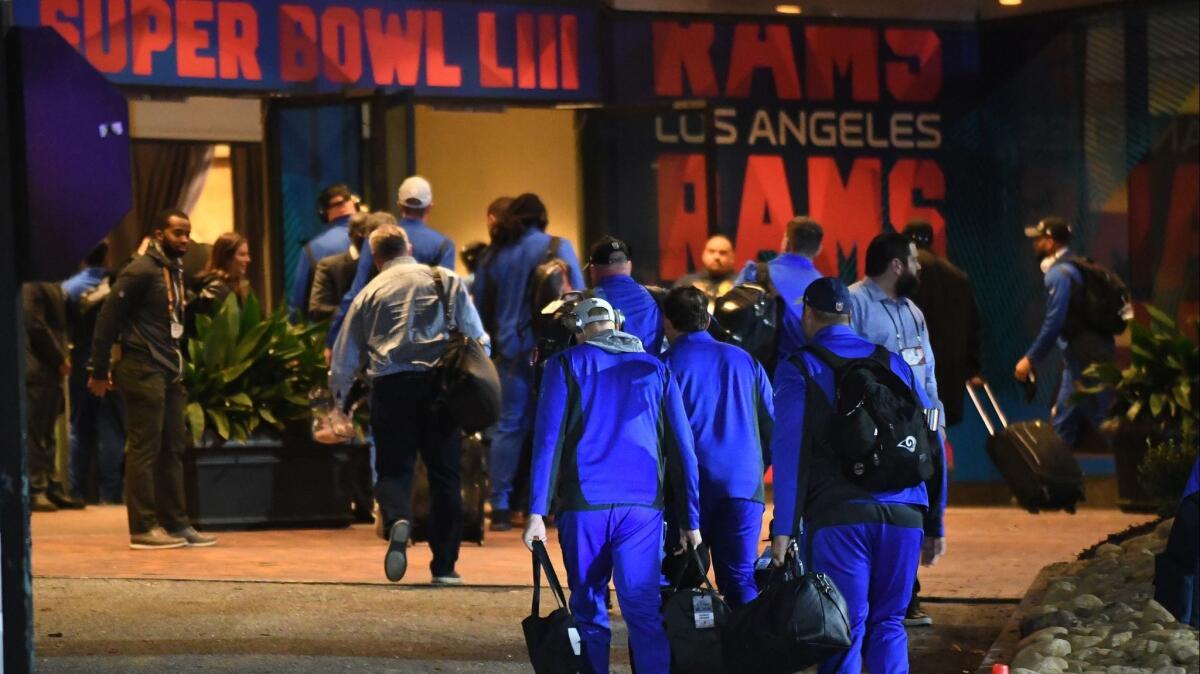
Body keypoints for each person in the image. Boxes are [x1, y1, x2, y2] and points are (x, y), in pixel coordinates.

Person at [770, 277, 947, 674]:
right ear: (850, 315)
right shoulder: (891, 361)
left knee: (843, 627)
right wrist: (934, 519)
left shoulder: (799, 366)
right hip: (905, 513)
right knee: (888, 624)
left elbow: (789, 450)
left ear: (809, 315)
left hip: (840, 516)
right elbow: (929, 437)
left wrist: (784, 526)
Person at [523, 296, 701, 674]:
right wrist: (690, 519)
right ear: (617, 323)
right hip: (643, 507)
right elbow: (683, 449)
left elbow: (548, 442)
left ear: (580, 329)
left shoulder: (565, 365)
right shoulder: (655, 367)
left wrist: (536, 511)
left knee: (588, 606)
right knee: (644, 610)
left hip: (585, 504)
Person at [330, 224, 487, 585]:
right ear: (409, 246)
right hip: (440, 387)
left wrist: (338, 402)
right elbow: (478, 336)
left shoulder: (369, 292)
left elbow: (344, 358)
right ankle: (445, 566)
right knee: (445, 474)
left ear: (376, 255)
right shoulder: (445, 278)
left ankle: (399, 517)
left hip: (390, 386)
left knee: (391, 470)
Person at [88, 210, 216, 550]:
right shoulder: (140, 270)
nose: (185, 240)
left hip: (169, 371)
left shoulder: (174, 270)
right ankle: (142, 527)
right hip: (142, 369)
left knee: (173, 447)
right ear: (159, 234)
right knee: (145, 449)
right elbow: (106, 321)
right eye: (177, 233)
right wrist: (99, 371)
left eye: (187, 233)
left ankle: (176, 523)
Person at [848, 231, 946, 627]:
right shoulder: (855, 303)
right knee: (886, 505)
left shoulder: (913, 311)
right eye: (915, 260)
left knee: (915, 503)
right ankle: (887, 599)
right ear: (896, 266)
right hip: (879, 431)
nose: (920, 267)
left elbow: (928, 371)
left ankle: (906, 594)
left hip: (919, 425)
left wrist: (935, 420)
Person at [470, 193, 585, 531]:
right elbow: (577, 296)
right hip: (551, 351)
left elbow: (480, 311)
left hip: (509, 352)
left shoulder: (492, 257)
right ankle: (542, 503)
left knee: (508, 426)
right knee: (551, 426)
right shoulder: (557, 247)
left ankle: (501, 505)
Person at [661, 286, 773, 608]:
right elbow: (773, 428)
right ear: (708, 319)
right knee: (740, 580)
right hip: (742, 487)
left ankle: (689, 654)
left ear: (667, 322)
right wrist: (754, 468)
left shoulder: (664, 366)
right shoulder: (745, 361)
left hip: (686, 493)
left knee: (679, 582)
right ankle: (747, 654)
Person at [1015, 217, 1114, 449]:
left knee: (1103, 420)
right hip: (1083, 357)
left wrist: (1030, 359)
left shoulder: (1058, 275)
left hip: (1085, 358)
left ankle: (1146, 472)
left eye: (1038, 239)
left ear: (1050, 243)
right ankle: (1055, 480)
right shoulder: (1076, 267)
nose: (1034, 244)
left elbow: (1054, 322)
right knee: (1063, 424)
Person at [327, 176, 455, 348]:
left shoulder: (378, 238)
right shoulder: (443, 245)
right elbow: (448, 296)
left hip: (384, 339)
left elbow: (356, 292)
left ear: (399, 205)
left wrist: (334, 339)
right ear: (430, 207)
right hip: (429, 341)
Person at [903, 221, 984, 427]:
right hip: (948, 375)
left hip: (913, 372)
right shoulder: (957, 275)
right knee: (936, 430)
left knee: (912, 434)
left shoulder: (903, 274)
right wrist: (971, 368)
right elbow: (973, 326)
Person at [64, 241, 125, 504]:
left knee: (79, 428)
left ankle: (77, 492)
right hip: (110, 363)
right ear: (107, 257)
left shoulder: (69, 288)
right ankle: (109, 495)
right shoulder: (118, 284)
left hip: (79, 364)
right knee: (110, 429)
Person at [23, 281, 85, 512]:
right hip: (38, 365)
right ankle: (36, 487)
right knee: (36, 430)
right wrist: (59, 357)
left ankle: (50, 484)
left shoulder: (50, 281)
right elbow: (35, 323)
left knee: (47, 430)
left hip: (47, 367)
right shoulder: (33, 282)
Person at [734, 216, 825, 362]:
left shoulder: (755, 273)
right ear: (819, 249)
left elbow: (733, 315)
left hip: (759, 368)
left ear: (786, 242)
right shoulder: (826, 287)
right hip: (807, 369)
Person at [289, 184, 360, 320]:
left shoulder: (312, 248)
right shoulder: (375, 239)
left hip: (329, 334)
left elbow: (298, 305)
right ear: (355, 206)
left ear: (323, 213)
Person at [309, 212, 396, 322]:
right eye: (362, 232)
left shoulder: (385, 265)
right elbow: (317, 310)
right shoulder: (329, 266)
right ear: (351, 234)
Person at [587, 236, 665, 354]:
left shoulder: (586, 301)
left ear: (593, 269)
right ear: (629, 265)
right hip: (653, 369)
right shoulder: (659, 296)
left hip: (608, 371)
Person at [191, 232, 251, 318]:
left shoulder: (238, 286)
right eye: (242, 255)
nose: (248, 259)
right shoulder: (214, 290)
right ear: (226, 257)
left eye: (247, 254)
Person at [673, 234, 737, 310]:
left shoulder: (740, 286)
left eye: (722, 253)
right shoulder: (686, 284)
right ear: (703, 255)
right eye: (711, 251)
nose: (716, 257)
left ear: (732, 257)